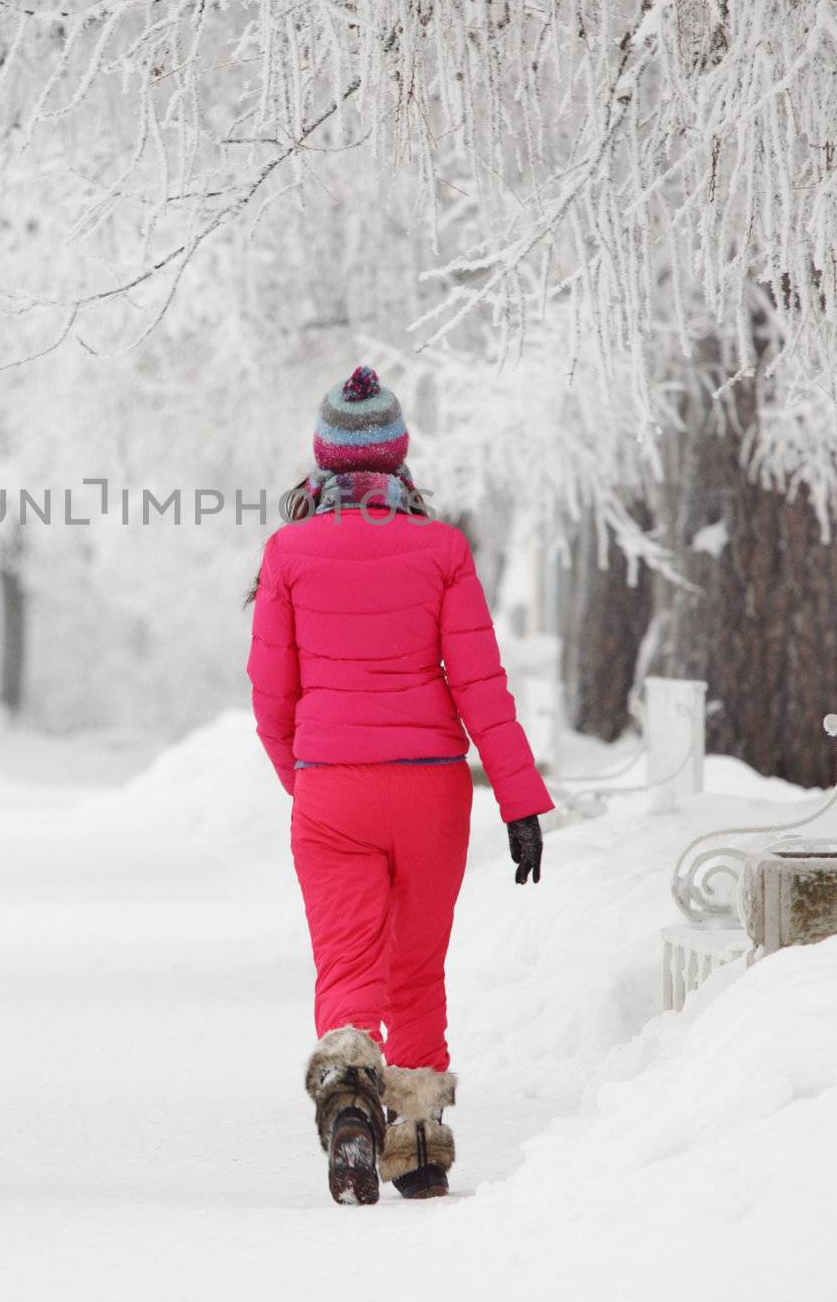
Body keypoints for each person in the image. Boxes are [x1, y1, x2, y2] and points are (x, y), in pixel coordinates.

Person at [247, 366, 552, 1206]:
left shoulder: (288, 552)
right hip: (430, 790)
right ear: (398, 456)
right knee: (417, 966)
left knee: (348, 961)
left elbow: (271, 696)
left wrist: (305, 778)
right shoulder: (442, 549)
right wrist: (521, 801)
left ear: (323, 455)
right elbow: (480, 685)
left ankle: (349, 1089)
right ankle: (418, 1145)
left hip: (332, 787)